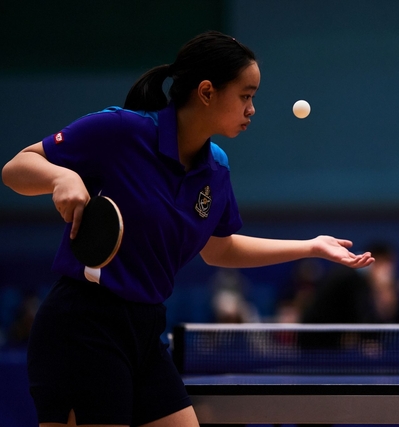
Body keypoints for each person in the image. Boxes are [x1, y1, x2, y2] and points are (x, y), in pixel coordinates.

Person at [1, 30, 373, 427]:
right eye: (245, 96)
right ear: (208, 92)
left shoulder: (215, 169)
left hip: (144, 329)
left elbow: (219, 249)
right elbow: (16, 169)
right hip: (85, 325)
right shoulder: (121, 131)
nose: (252, 109)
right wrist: (61, 178)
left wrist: (311, 247)